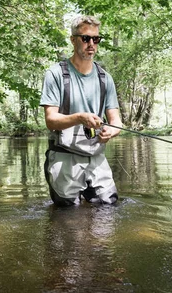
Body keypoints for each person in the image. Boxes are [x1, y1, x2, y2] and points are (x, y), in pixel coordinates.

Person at [40, 15, 122, 206]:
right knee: (68, 215)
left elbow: (116, 121)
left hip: (96, 156)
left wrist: (112, 131)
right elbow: (51, 120)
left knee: (108, 206)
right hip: (64, 155)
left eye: (96, 39)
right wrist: (80, 118)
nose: (91, 43)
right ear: (73, 39)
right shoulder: (56, 74)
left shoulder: (105, 78)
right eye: (85, 38)